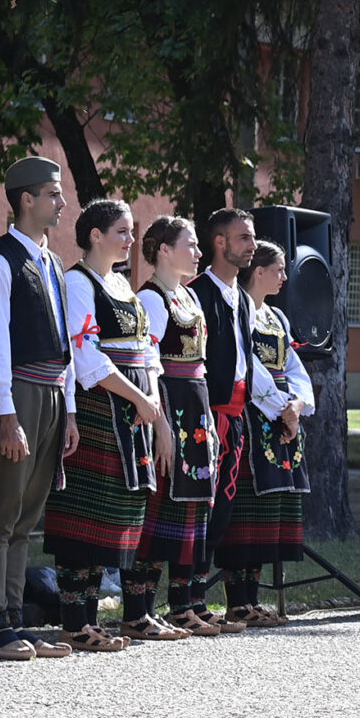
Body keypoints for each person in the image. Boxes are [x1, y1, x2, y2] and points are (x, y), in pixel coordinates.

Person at [42, 200, 166, 650]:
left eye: (131, 232)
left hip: (132, 410)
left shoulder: (122, 286)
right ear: (95, 235)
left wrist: (150, 394)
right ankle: (75, 621)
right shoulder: (79, 283)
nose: (131, 241)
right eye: (122, 232)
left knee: (114, 514)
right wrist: (137, 396)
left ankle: (92, 619)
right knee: (86, 516)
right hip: (99, 407)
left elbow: (146, 349)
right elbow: (86, 354)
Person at [0, 156, 79, 661]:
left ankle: (17, 618)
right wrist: (7, 414)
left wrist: (71, 409)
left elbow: (66, 345)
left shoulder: (51, 262)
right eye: (53, 194)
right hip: (17, 396)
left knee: (28, 513)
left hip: (52, 394)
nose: (61, 203)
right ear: (26, 200)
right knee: (2, 512)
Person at [136, 217, 228, 635]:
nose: (197, 252)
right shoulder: (153, 299)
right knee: (165, 504)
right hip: (170, 405)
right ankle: (140, 607)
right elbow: (149, 366)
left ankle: (186, 601)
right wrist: (162, 427)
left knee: (194, 503)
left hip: (196, 406)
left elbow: (200, 363)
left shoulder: (189, 297)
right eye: (189, 245)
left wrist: (205, 418)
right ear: (163, 251)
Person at [218, 243, 315, 627]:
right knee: (244, 508)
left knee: (267, 513)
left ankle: (252, 598)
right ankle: (236, 600)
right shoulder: (237, 307)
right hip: (252, 411)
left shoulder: (276, 316)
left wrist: (298, 404)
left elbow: (294, 366)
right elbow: (248, 365)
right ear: (258, 271)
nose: (285, 277)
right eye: (279, 269)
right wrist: (280, 407)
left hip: (278, 416)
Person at [190, 210, 263, 620]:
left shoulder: (242, 298)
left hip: (235, 417)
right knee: (200, 506)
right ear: (220, 242)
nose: (251, 246)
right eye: (244, 238)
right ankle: (189, 600)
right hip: (207, 414)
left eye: (251, 239)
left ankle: (198, 597)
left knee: (222, 511)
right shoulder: (198, 292)